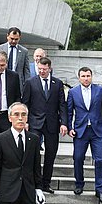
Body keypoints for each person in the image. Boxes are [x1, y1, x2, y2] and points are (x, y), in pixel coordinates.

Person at [67, 67, 102, 204]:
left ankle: (100, 190)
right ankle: (79, 184)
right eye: (83, 76)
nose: (86, 78)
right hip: (80, 131)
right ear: (79, 77)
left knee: (100, 159)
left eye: (88, 76)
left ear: (91, 76)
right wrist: (70, 127)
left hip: (97, 131)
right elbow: (69, 112)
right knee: (77, 158)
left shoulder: (100, 90)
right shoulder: (73, 92)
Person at [22, 57, 68, 193]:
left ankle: (46, 183)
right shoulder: (30, 82)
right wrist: (25, 122)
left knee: (51, 153)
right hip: (35, 123)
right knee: (33, 153)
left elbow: (62, 105)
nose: (41, 71)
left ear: (50, 69)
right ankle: (34, 183)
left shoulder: (57, 83)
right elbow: (25, 103)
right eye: (40, 69)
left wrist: (64, 123)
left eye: (44, 69)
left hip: (52, 124)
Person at [0, 27, 30, 91]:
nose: (13, 41)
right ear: (7, 36)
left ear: (19, 38)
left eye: (16, 39)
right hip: (1, 80)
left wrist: (26, 86)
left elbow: (26, 71)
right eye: (12, 38)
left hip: (17, 83)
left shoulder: (24, 51)